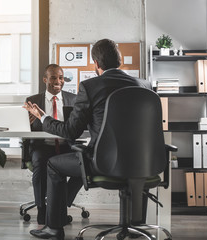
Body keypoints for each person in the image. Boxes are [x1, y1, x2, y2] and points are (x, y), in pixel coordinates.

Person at [23, 39, 151, 240]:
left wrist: (43, 117)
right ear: (119, 61)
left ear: (96, 64)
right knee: (134, 171)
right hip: (144, 163)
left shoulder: (90, 87)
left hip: (104, 163)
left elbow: (70, 131)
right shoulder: (145, 85)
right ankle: (136, 226)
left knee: (53, 165)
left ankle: (54, 228)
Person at [24, 64, 79, 227]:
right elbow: (24, 128)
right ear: (45, 79)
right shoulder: (33, 100)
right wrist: (27, 122)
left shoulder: (73, 99)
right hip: (43, 147)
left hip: (65, 147)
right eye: (53, 77)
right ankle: (42, 210)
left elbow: (76, 127)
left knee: (84, 163)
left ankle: (61, 205)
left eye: (61, 77)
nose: (58, 81)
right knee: (40, 165)